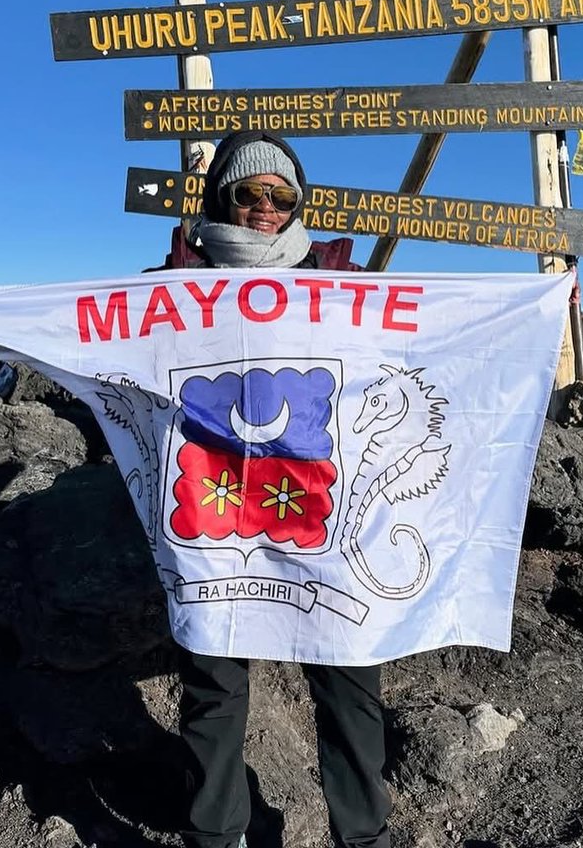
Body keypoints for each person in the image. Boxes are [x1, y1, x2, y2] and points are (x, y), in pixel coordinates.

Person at [175, 130, 391, 848]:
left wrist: (540, 305)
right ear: (223, 199)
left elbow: (413, 349)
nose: (266, 207)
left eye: (281, 195)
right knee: (212, 686)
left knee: (351, 683)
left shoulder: (341, 278)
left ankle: (362, 837)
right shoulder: (174, 280)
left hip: (319, 515)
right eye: (248, 192)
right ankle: (217, 837)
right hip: (214, 515)